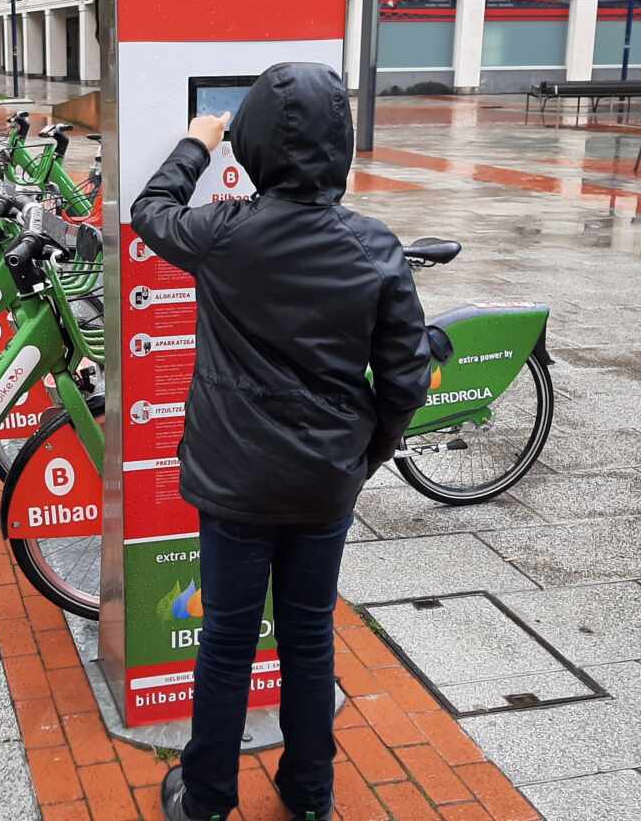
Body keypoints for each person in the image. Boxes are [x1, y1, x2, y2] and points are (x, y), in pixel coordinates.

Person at [131, 62, 432, 821]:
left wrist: (197, 144)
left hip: (234, 484)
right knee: (308, 638)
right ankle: (309, 793)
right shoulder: (373, 247)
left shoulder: (224, 233)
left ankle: (204, 799)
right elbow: (406, 378)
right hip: (325, 481)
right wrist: (365, 457)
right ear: (343, 145)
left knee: (227, 642)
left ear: (255, 141)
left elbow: (150, 210)